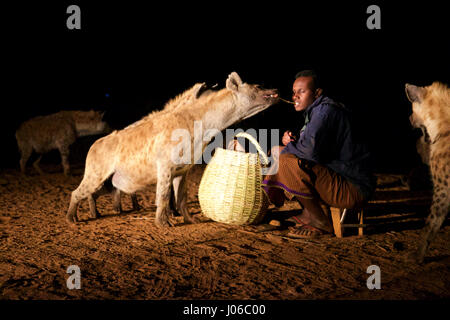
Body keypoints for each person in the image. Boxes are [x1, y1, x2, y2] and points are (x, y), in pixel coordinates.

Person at [263, 70, 376, 237]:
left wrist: (286, 149)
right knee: (282, 154)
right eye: (294, 92)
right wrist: (292, 143)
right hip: (345, 179)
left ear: (317, 93)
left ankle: (321, 222)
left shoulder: (324, 112)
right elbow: (315, 148)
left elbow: (308, 152)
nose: (295, 97)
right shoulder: (319, 111)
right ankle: (309, 213)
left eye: (301, 91)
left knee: (285, 160)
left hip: (352, 188)